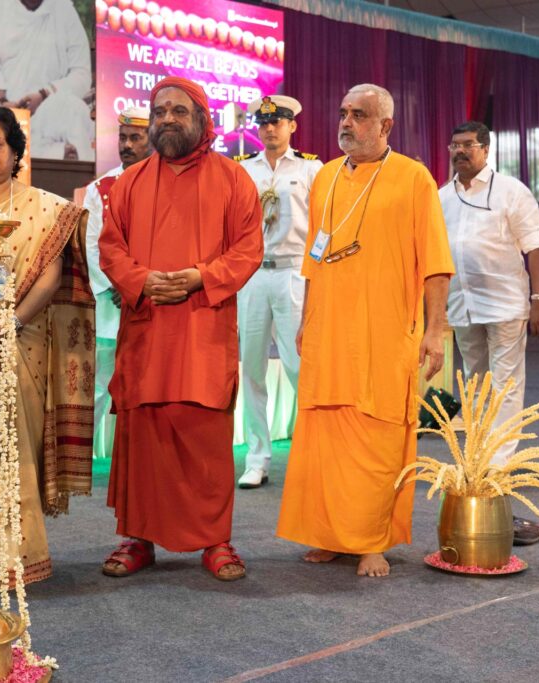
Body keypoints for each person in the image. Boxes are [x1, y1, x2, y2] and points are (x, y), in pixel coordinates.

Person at [276, 84, 454, 578]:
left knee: (377, 436)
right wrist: (306, 321)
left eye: (359, 115)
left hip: (384, 331)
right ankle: (330, 535)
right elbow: (314, 258)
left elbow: (436, 266)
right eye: (343, 113)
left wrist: (434, 332)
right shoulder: (326, 177)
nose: (347, 122)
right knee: (324, 433)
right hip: (329, 329)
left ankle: (372, 539)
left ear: (385, 126)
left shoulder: (414, 179)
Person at [99, 77, 263, 581]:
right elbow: (110, 249)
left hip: (203, 330)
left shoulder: (234, 180)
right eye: (159, 111)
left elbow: (247, 249)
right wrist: (142, 281)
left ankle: (216, 542)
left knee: (205, 439)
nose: (167, 119)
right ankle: (139, 539)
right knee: (143, 436)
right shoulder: (128, 183)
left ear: (202, 119)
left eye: (178, 111)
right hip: (147, 331)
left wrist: (200, 278)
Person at [0, 106, 94, 590]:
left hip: (22, 339)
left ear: (15, 150)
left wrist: (11, 321)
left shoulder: (46, 207)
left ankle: (17, 555)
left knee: (13, 449)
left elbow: (51, 278)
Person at [439, 120, 539, 544]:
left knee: (506, 390)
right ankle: (478, 468)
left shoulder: (510, 190)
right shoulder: (442, 196)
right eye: (455, 144)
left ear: (486, 149)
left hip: (504, 306)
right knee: (475, 394)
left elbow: (535, 246)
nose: (460, 151)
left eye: (468, 145)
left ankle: (494, 483)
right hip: (463, 307)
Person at [234, 95, 322, 489]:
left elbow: (323, 225)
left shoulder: (310, 169)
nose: (269, 129)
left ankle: (311, 454)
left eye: (278, 122)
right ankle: (257, 458)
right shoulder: (241, 170)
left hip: (292, 275)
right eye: (263, 122)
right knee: (251, 368)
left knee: (300, 367)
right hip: (252, 275)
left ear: (292, 126)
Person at [83, 105, 152, 459]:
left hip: (151, 300)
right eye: (122, 138)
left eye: (135, 138)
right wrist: (118, 286)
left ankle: (139, 457)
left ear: (151, 139)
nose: (126, 145)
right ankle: (85, 458)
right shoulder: (102, 187)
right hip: (111, 300)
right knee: (99, 384)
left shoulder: (164, 183)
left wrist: (140, 286)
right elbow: (92, 243)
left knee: (144, 383)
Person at [0, 0, 93, 160]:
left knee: (74, 109)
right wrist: (3, 102)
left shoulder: (63, 8)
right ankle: (48, 152)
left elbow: (81, 74)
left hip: (45, 112)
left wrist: (44, 95)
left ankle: (47, 156)